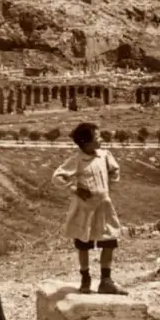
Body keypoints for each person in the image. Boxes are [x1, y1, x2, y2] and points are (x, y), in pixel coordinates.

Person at [51, 123, 127, 295]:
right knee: (83, 244)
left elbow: (115, 170)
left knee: (109, 240)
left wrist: (107, 188)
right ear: (86, 142)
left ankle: (106, 281)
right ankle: (85, 279)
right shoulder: (77, 160)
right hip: (85, 209)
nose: (101, 139)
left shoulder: (104, 155)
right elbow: (57, 177)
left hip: (104, 207)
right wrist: (74, 188)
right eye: (97, 137)